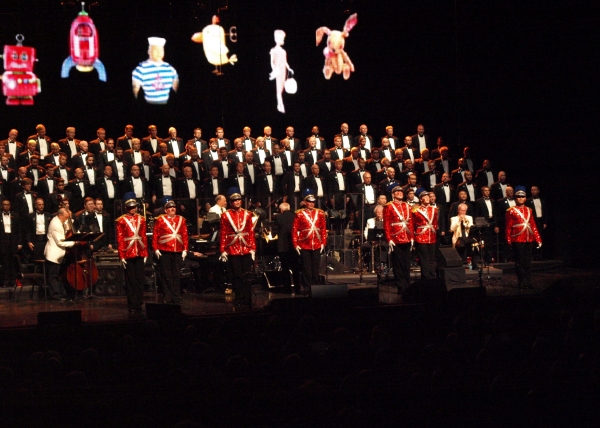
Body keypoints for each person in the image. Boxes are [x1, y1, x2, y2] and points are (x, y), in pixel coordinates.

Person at [219, 192, 256, 307]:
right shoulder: (226, 215)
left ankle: (248, 297)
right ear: (231, 203)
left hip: (245, 248)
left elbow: (251, 232)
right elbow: (223, 233)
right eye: (235, 200)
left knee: (247, 275)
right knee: (237, 275)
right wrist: (222, 250)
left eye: (239, 200)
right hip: (232, 248)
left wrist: (253, 248)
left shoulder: (248, 214)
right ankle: (239, 297)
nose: (237, 202)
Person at [116, 195, 148, 312]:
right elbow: (120, 238)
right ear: (126, 208)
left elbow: (143, 237)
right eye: (130, 208)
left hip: (139, 251)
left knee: (139, 279)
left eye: (134, 207)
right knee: (130, 280)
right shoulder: (121, 220)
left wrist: (145, 253)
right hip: (128, 252)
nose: (132, 209)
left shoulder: (142, 219)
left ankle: (139, 302)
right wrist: (122, 255)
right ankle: (132, 303)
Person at [505, 187, 542, 290]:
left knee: (528, 262)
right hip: (518, 238)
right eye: (518, 197)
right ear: (516, 198)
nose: (521, 198)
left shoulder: (529, 210)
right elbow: (508, 226)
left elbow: (533, 225)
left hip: (529, 238)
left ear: (525, 198)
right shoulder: (511, 211)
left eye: (522, 197)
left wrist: (538, 239)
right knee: (520, 262)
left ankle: (528, 282)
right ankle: (521, 282)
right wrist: (508, 239)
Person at [153, 199, 189, 304]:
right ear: (165, 210)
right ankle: (167, 295)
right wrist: (155, 248)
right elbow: (156, 235)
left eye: (173, 207)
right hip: (165, 250)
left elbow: (185, 235)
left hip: (177, 249)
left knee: (177, 274)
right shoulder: (160, 220)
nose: (172, 209)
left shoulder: (181, 220)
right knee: (166, 274)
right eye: (170, 207)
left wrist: (185, 249)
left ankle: (176, 296)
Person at [292, 194, 327, 291]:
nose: (311, 204)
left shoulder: (319, 213)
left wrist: (323, 242)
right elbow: (295, 230)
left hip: (316, 243)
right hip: (304, 244)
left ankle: (315, 287)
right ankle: (307, 288)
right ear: (305, 202)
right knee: (306, 268)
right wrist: (295, 244)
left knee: (316, 268)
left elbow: (323, 229)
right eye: (309, 202)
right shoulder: (299, 214)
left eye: (313, 202)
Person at [44, 207, 78, 301]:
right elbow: (60, 242)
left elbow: (67, 224)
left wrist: (70, 218)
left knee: (56, 276)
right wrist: (74, 243)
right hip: (53, 254)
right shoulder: (56, 225)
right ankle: (55, 295)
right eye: (66, 217)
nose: (67, 219)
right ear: (60, 215)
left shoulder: (59, 220)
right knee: (53, 276)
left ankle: (61, 294)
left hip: (58, 254)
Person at [132, 37, 179, 105]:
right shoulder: (141, 69)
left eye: (161, 50)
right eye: (155, 49)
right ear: (149, 51)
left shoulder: (170, 68)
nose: (159, 52)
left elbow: (176, 84)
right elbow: (135, 88)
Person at [383, 187, 413, 293]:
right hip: (395, 238)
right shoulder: (389, 206)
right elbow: (386, 223)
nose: (400, 193)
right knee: (398, 264)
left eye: (401, 192)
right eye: (397, 192)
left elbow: (411, 222)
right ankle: (401, 285)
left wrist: (412, 237)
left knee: (407, 263)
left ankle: (408, 284)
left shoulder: (407, 206)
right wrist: (389, 238)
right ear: (393, 194)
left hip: (407, 237)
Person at [412, 190, 438, 279]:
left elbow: (435, 223)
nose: (428, 198)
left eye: (428, 196)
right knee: (424, 259)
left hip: (432, 236)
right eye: (425, 197)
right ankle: (426, 278)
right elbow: (413, 224)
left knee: (432, 259)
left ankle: (432, 277)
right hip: (421, 236)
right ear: (421, 199)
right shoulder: (416, 210)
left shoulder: (434, 209)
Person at [274, 202, 300, 289]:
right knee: (295, 267)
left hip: (283, 246)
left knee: (285, 268)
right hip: (294, 245)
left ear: (281, 210)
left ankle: (287, 288)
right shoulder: (295, 216)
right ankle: (297, 287)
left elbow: (274, 232)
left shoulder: (278, 217)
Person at [270, 30, 294, 114]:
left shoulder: (284, 51)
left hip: (283, 70)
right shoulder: (273, 50)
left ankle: (280, 104)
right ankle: (280, 104)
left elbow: (285, 62)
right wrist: (274, 70)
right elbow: (272, 62)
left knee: (283, 87)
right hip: (278, 71)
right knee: (278, 88)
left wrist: (289, 68)